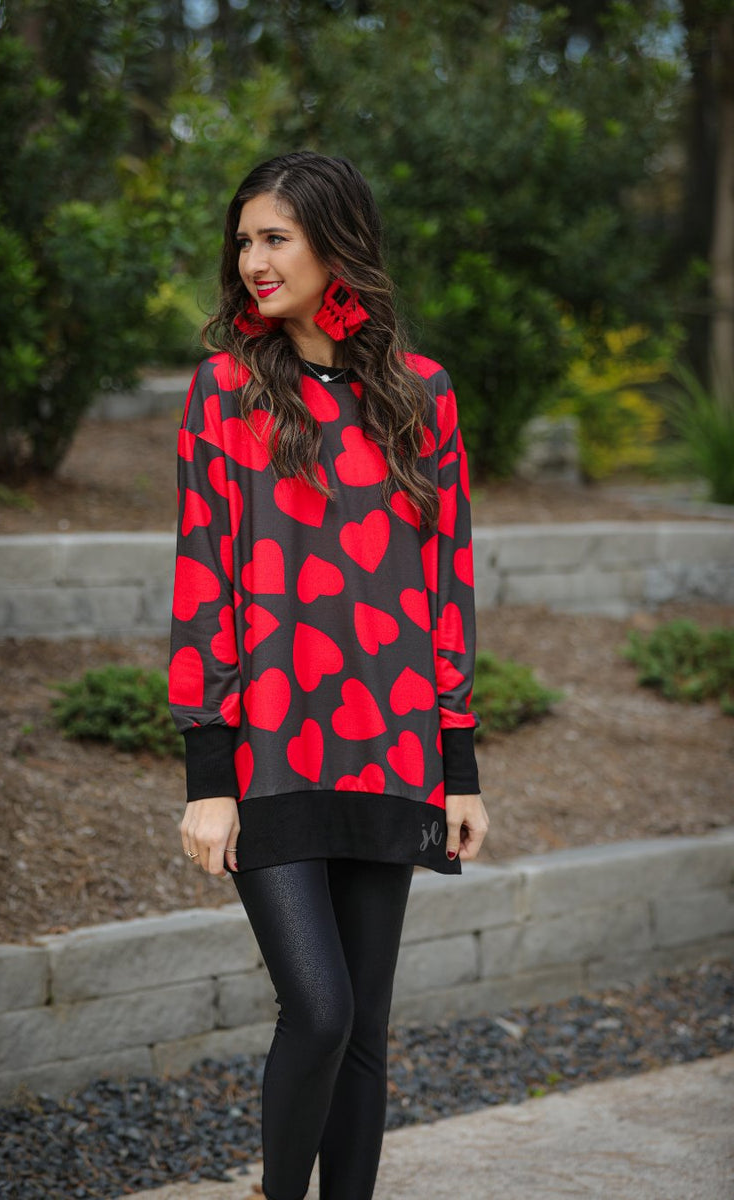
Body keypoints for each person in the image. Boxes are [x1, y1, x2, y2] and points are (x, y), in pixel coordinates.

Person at [168, 150, 488, 1200]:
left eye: (276, 237)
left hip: (391, 749)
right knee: (319, 1009)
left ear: (332, 242)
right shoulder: (222, 392)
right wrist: (205, 774)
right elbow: (202, 578)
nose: (252, 259)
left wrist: (458, 763)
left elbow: (446, 585)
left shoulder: (419, 394)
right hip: (266, 756)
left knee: (365, 1030)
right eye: (245, 239)